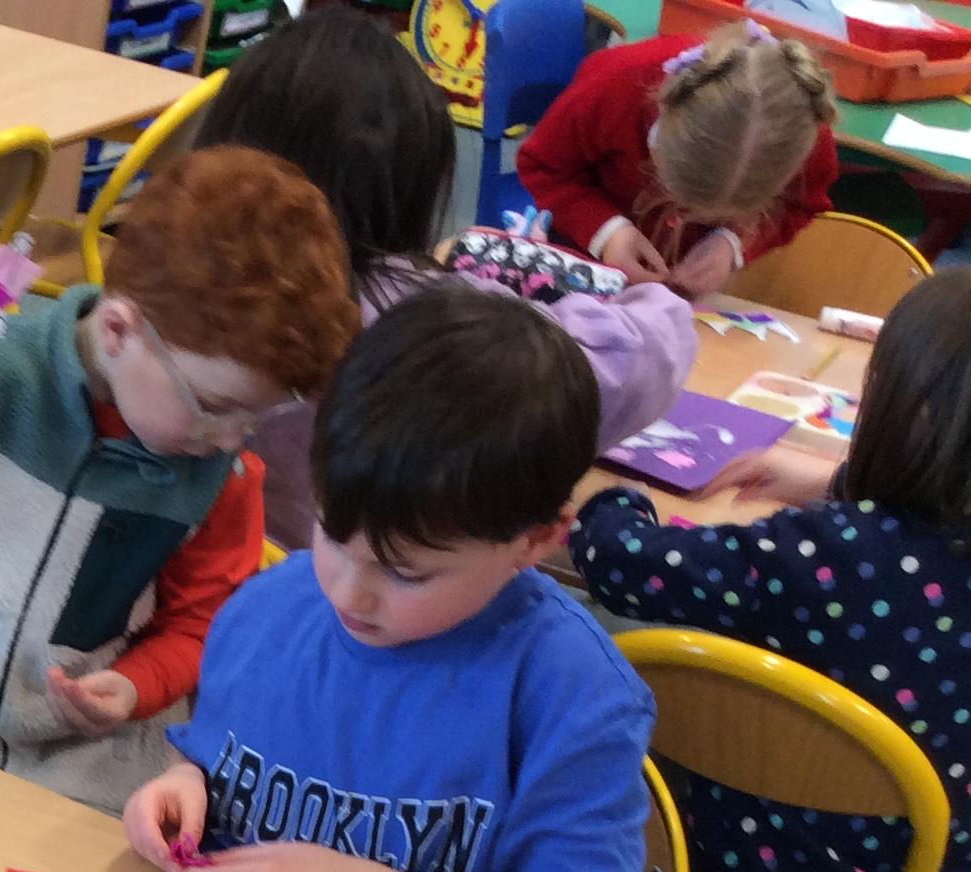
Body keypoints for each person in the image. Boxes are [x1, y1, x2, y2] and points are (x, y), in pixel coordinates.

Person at [122, 283, 653, 872]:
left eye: (407, 573)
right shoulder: (266, 610)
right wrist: (179, 788)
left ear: (535, 541)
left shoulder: (570, 691)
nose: (347, 592)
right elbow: (210, 760)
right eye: (331, 533)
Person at [0, 146, 356, 810]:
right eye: (213, 406)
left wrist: (137, 685)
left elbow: (201, 625)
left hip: (85, 770)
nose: (233, 438)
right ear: (117, 331)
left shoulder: (220, 477)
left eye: (256, 417)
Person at [572, 268, 971, 872]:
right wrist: (827, 481)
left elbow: (620, 566)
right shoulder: (850, 547)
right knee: (822, 752)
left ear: (901, 416)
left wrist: (616, 502)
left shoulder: (820, 555)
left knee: (598, 684)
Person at [195, 6, 696, 549]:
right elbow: (635, 364)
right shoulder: (424, 324)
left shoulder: (182, 288)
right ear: (414, 183)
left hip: (233, 567)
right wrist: (656, 300)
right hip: (384, 580)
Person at [517, 23, 837, 299]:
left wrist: (731, 243)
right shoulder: (618, 82)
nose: (683, 214)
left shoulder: (798, 132)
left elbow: (801, 205)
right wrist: (608, 233)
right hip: (577, 268)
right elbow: (542, 164)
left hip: (680, 303)